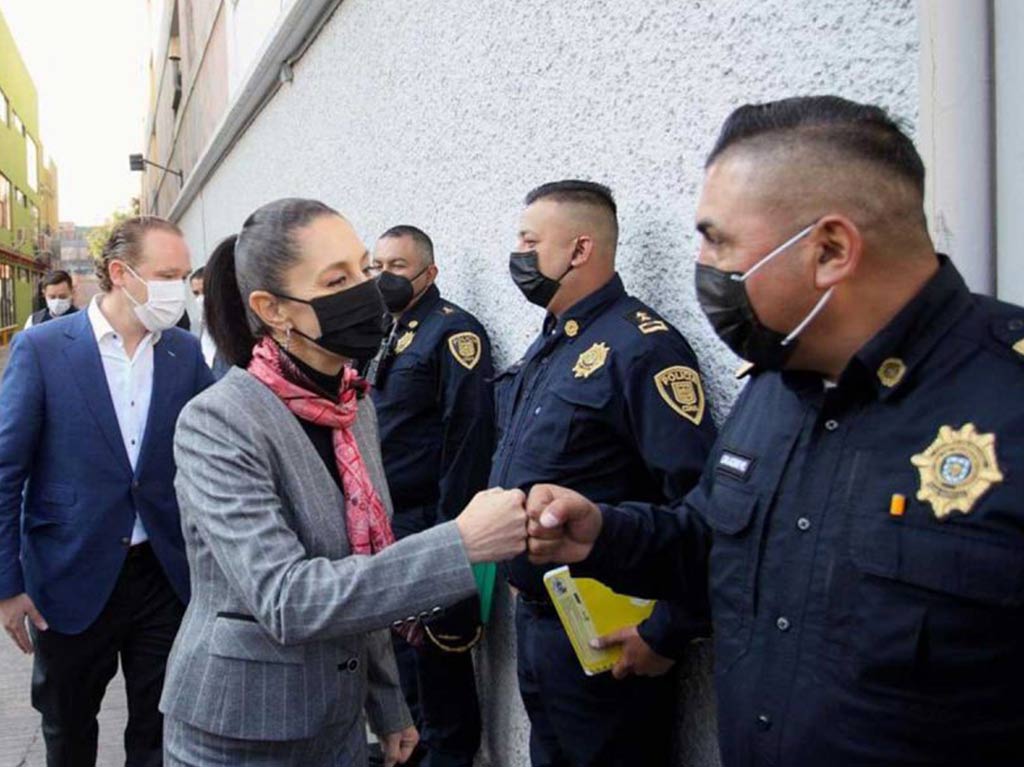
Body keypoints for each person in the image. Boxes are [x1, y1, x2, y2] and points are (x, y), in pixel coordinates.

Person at [526, 96, 1024, 767]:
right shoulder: (774, 386)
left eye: (719, 240)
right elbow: (710, 540)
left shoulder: (1006, 399)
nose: (702, 263)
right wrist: (605, 532)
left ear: (830, 250)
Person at [160, 198, 527, 767]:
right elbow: (288, 599)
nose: (369, 290)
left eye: (365, 268)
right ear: (273, 309)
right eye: (339, 279)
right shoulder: (219, 422)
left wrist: (388, 702)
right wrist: (462, 543)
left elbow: (364, 553)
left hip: (337, 721)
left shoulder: (352, 406)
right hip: (242, 730)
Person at [492, 180, 717, 766]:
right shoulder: (551, 345)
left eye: (529, 240)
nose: (517, 253)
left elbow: (700, 505)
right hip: (540, 624)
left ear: (580, 250)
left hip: (609, 633)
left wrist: (667, 631)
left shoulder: (642, 349)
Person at [0, 216, 214, 767]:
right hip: (69, 578)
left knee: (161, 730)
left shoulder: (184, 353)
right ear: (120, 273)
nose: (178, 286)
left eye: (184, 274)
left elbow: (213, 455)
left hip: (163, 576)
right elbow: (6, 471)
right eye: (167, 274)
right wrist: (8, 585)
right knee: (68, 732)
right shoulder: (43, 349)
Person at [369, 225, 494, 767]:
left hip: (432, 521)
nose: (383, 278)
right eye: (377, 266)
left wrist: (452, 532)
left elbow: (468, 437)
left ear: (429, 273)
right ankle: (414, 751)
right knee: (402, 653)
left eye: (397, 267)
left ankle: (448, 754)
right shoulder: (387, 332)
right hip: (391, 520)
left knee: (439, 652)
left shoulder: (454, 333)